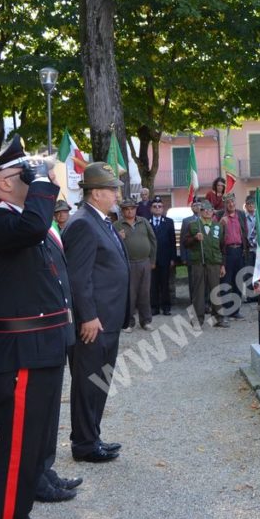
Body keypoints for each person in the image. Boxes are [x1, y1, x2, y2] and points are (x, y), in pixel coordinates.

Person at [0, 135, 79, 519]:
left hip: (36, 348)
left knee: (30, 444)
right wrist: (46, 181)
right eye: (24, 172)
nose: (35, 177)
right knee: (16, 448)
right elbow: (34, 225)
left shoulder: (11, 220)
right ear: (3, 183)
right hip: (19, 353)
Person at [62, 162, 130, 464]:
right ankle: (84, 444)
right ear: (97, 193)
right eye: (112, 189)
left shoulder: (100, 220)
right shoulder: (82, 223)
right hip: (94, 322)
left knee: (99, 381)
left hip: (108, 318)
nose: (117, 194)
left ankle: (92, 437)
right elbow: (78, 277)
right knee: (88, 381)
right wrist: (87, 316)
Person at [185, 201, 228, 328]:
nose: (208, 212)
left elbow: (222, 247)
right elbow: (185, 243)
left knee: (215, 291)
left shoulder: (218, 226)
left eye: (210, 210)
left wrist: (222, 265)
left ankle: (218, 319)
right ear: (200, 211)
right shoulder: (193, 226)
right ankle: (196, 320)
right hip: (199, 263)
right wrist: (194, 239)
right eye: (205, 210)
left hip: (214, 263)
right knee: (198, 292)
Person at [115, 197, 157, 331]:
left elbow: (153, 240)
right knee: (130, 294)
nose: (129, 211)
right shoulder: (116, 225)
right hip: (127, 263)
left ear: (136, 209)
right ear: (122, 211)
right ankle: (129, 322)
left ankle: (146, 321)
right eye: (126, 209)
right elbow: (111, 245)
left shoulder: (143, 222)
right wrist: (118, 238)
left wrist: (152, 260)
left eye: (132, 209)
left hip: (145, 262)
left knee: (145, 292)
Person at [219, 193, 250, 319]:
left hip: (239, 251)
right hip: (227, 252)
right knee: (226, 282)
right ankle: (226, 310)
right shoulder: (221, 216)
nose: (231, 204)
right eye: (228, 202)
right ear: (225, 204)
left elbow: (245, 231)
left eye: (232, 201)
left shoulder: (241, 215)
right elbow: (218, 236)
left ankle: (235, 310)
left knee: (238, 281)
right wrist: (221, 224)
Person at [148, 196, 176, 315]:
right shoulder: (146, 222)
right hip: (152, 259)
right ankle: (154, 307)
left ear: (163, 208)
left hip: (165, 258)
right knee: (153, 284)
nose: (157, 208)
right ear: (151, 209)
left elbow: (172, 241)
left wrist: (173, 258)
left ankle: (166, 307)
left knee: (165, 284)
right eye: (155, 206)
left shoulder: (169, 222)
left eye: (160, 206)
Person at [177, 197, 202, 316]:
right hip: (192, 255)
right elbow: (183, 240)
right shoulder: (187, 221)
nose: (197, 207)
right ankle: (193, 302)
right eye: (195, 205)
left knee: (204, 280)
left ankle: (205, 302)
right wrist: (183, 257)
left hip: (205, 255)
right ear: (191, 207)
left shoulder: (207, 218)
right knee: (193, 280)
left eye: (199, 205)